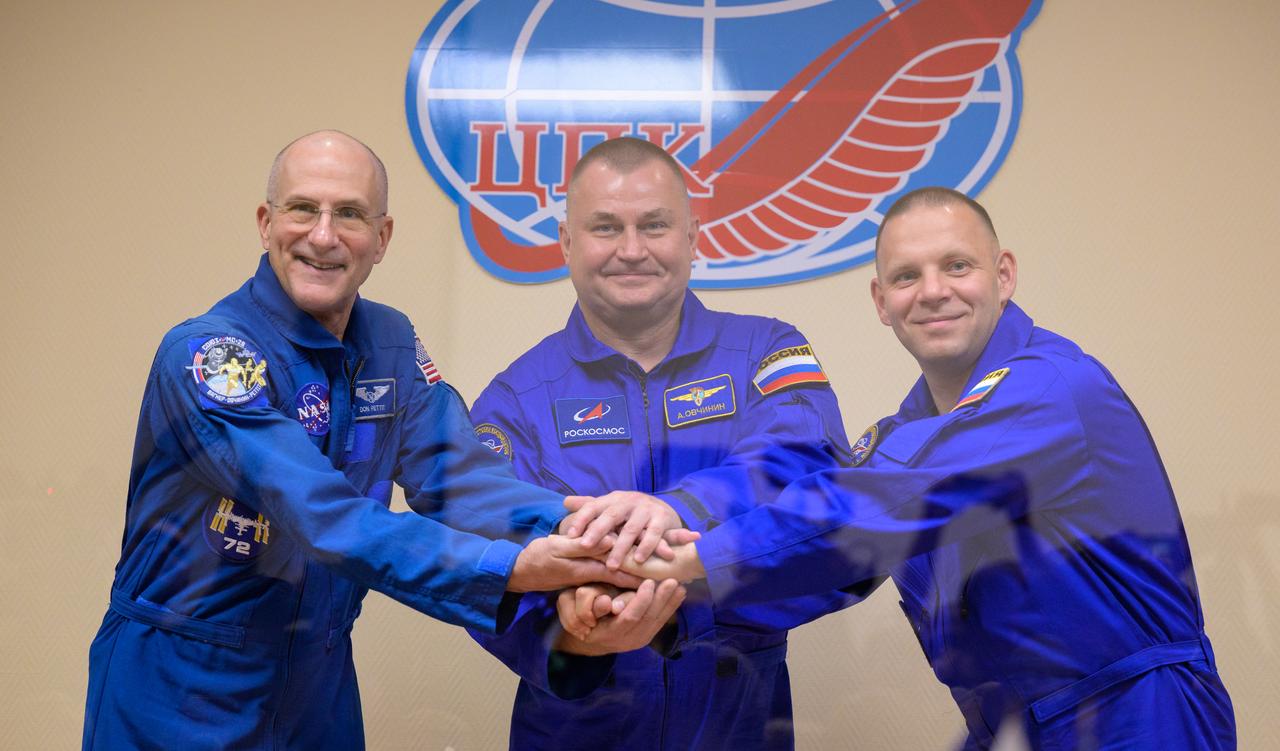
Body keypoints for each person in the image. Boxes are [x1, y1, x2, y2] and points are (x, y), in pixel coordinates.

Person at [575, 187, 1236, 749]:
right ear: (880, 300)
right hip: (1016, 723)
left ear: (1003, 276)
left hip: (1139, 714)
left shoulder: (1051, 390)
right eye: (906, 276)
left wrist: (688, 557)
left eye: (957, 266)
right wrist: (663, 604)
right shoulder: (906, 435)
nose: (933, 292)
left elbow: (864, 506)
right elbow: (833, 548)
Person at [82, 130, 641, 751]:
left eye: (349, 213)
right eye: (302, 209)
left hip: (318, 688)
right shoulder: (211, 356)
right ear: (266, 223)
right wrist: (512, 568)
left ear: (382, 237)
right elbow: (323, 517)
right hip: (180, 690)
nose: (323, 236)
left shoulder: (388, 342)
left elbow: (461, 483)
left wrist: (582, 530)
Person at [467, 137, 862, 750]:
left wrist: (681, 518)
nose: (631, 250)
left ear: (692, 236)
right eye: (605, 227)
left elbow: (813, 479)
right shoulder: (515, 399)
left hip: (738, 728)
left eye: (654, 225)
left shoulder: (767, 353)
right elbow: (483, 552)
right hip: (574, 729)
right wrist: (571, 635)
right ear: (567, 243)